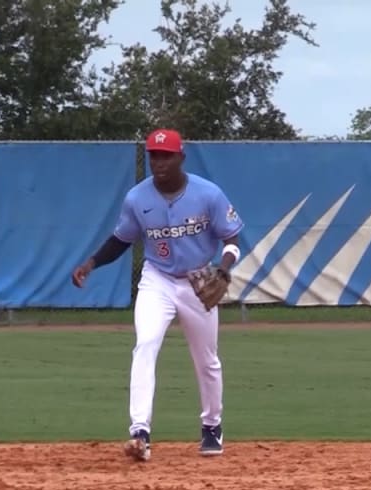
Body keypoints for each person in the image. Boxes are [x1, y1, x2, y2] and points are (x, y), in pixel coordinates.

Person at [71, 128, 244, 462]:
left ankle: (212, 425)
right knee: (146, 344)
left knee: (206, 359)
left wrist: (223, 268)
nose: (159, 161)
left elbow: (234, 239)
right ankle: (140, 432)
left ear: (181, 157)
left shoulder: (208, 194)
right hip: (158, 279)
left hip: (198, 281)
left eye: (166, 155)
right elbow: (122, 239)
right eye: (153, 155)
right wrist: (91, 263)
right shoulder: (138, 198)